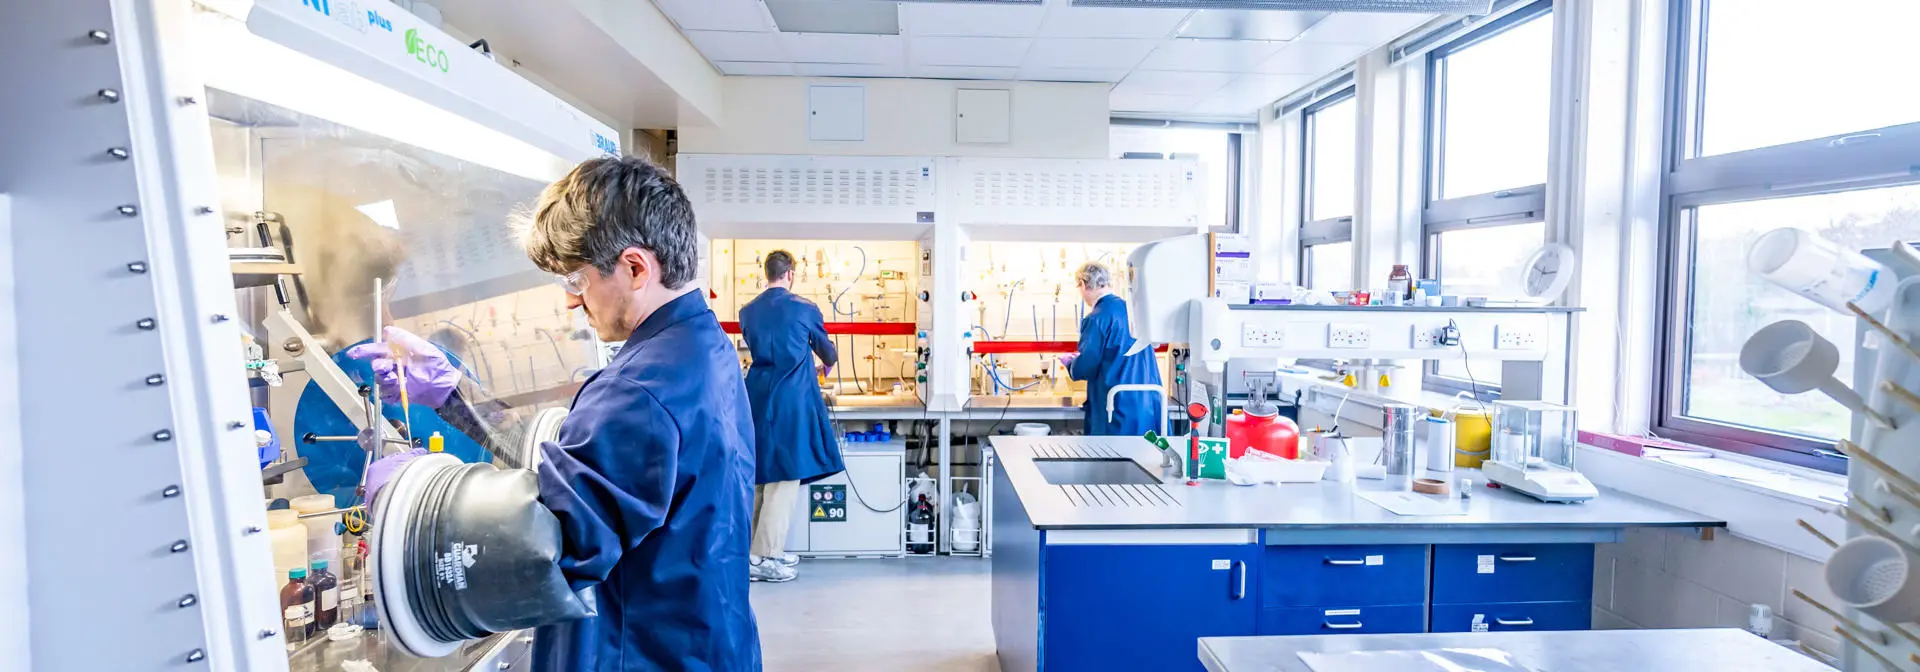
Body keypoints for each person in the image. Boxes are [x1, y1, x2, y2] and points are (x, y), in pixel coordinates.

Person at [358, 156, 760, 671]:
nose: (573, 302)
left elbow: (542, 554)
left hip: (638, 654)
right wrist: (454, 395)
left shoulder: (638, 391)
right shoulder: (703, 347)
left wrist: (413, 501)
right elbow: (584, 472)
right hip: (704, 642)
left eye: (576, 280)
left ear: (635, 268)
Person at [738, 250, 845, 583]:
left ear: (766, 273)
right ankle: (766, 557)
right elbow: (827, 352)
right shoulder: (805, 308)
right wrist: (825, 362)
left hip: (755, 397)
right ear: (791, 274)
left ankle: (752, 555)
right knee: (784, 480)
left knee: (760, 477)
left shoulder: (747, 312)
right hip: (791, 402)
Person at [1060, 262, 1163, 436]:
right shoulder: (1133, 311)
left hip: (1117, 407)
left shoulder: (1097, 318)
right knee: (1146, 458)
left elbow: (1086, 366)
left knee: (1112, 460)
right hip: (1148, 401)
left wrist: (1071, 363)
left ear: (1084, 284)